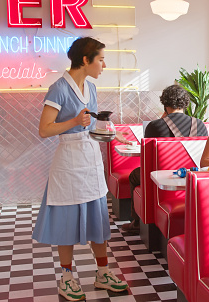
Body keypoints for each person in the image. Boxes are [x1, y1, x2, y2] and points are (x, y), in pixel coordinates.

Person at [32, 37, 129, 301]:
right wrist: (74, 121)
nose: (104, 64)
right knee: (66, 220)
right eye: (100, 59)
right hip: (68, 161)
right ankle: (66, 277)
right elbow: (44, 129)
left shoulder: (92, 89)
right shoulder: (58, 89)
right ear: (85, 60)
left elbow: (93, 125)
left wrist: (113, 135)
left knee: (98, 218)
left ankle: (103, 273)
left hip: (90, 159)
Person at [122, 84, 208, 231]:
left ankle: (136, 222)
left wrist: (161, 120)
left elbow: (147, 157)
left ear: (164, 104)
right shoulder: (199, 124)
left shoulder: (155, 126)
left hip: (160, 177)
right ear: (186, 104)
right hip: (191, 176)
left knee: (133, 175)